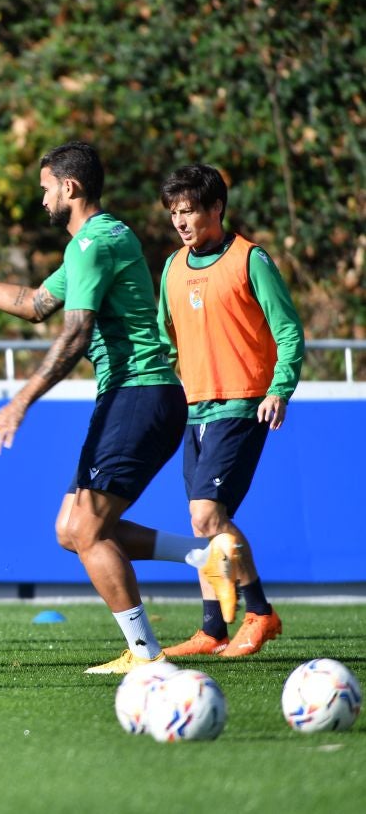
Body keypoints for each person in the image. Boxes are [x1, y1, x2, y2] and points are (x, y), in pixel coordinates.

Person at [0, 141, 237, 674]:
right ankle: (204, 556)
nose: (41, 201)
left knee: (86, 529)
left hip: (140, 392)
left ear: (69, 187)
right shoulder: (99, 239)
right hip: (135, 396)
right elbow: (34, 304)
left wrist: (21, 400)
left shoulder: (92, 245)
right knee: (72, 529)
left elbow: (76, 331)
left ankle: (146, 656)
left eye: (44, 189)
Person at [156, 164, 303, 658]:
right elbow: (163, 339)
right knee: (204, 523)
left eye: (189, 210)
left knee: (207, 514)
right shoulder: (173, 269)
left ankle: (260, 612)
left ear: (216, 208)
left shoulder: (250, 259)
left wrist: (279, 387)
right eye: (174, 212)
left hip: (241, 404)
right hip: (193, 409)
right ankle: (213, 628)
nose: (180, 221)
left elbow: (288, 330)